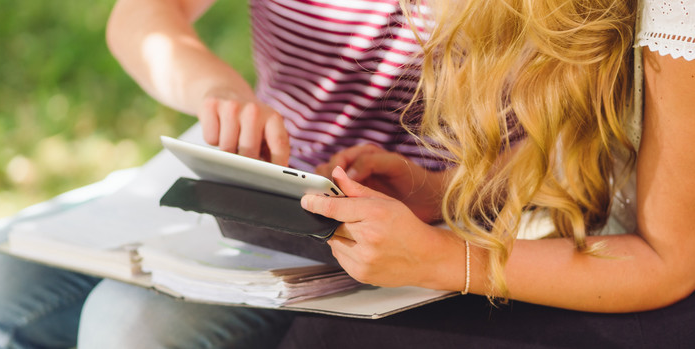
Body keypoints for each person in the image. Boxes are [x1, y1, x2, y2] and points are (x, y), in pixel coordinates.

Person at [0, 0, 442, 347]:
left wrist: (443, 193)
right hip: (257, 171)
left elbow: (528, 158)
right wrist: (221, 95)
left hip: (430, 210)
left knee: (130, 326)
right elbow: (142, 17)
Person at [276, 0, 695, 346]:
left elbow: (670, 265)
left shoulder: (678, 15)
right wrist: (446, 192)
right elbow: (611, 138)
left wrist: (438, 257)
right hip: (598, 246)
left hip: (660, 293)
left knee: (330, 335)